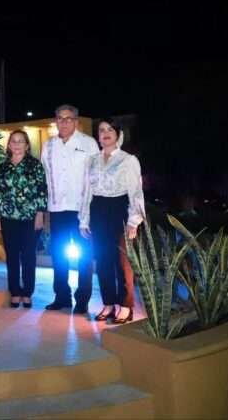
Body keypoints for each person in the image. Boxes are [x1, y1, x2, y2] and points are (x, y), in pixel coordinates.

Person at [79, 118, 145, 324]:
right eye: (101, 130)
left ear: (118, 134)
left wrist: (134, 221)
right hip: (98, 210)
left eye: (110, 130)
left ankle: (126, 306)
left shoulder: (128, 160)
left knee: (123, 262)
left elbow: (136, 191)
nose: (105, 133)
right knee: (103, 260)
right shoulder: (91, 161)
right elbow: (87, 192)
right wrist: (84, 220)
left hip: (120, 211)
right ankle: (108, 303)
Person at [40, 104, 99, 314]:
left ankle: (82, 299)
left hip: (82, 209)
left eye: (68, 119)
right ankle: (62, 297)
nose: (64, 122)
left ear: (76, 121)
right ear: (55, 121)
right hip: (56, 209)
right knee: (58, 255)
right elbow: (45, 179)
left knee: (84, 256)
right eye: (60, 118)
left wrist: (91, 212)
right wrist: (44, 211)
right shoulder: (48, 146)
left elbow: (95, 177)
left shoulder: (89, 144)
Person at [0, 130, 47, 308]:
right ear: (8, 145)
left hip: (30, 218)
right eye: (13, 141)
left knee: (29, 256)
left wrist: (40, 214)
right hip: (8, 218)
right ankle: (15, 292)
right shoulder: (3, 166)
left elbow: (42, 190)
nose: (16, 144)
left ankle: (27, 292)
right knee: (12, 256)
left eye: (20, 141)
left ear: (27, 145)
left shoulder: (35, 165)